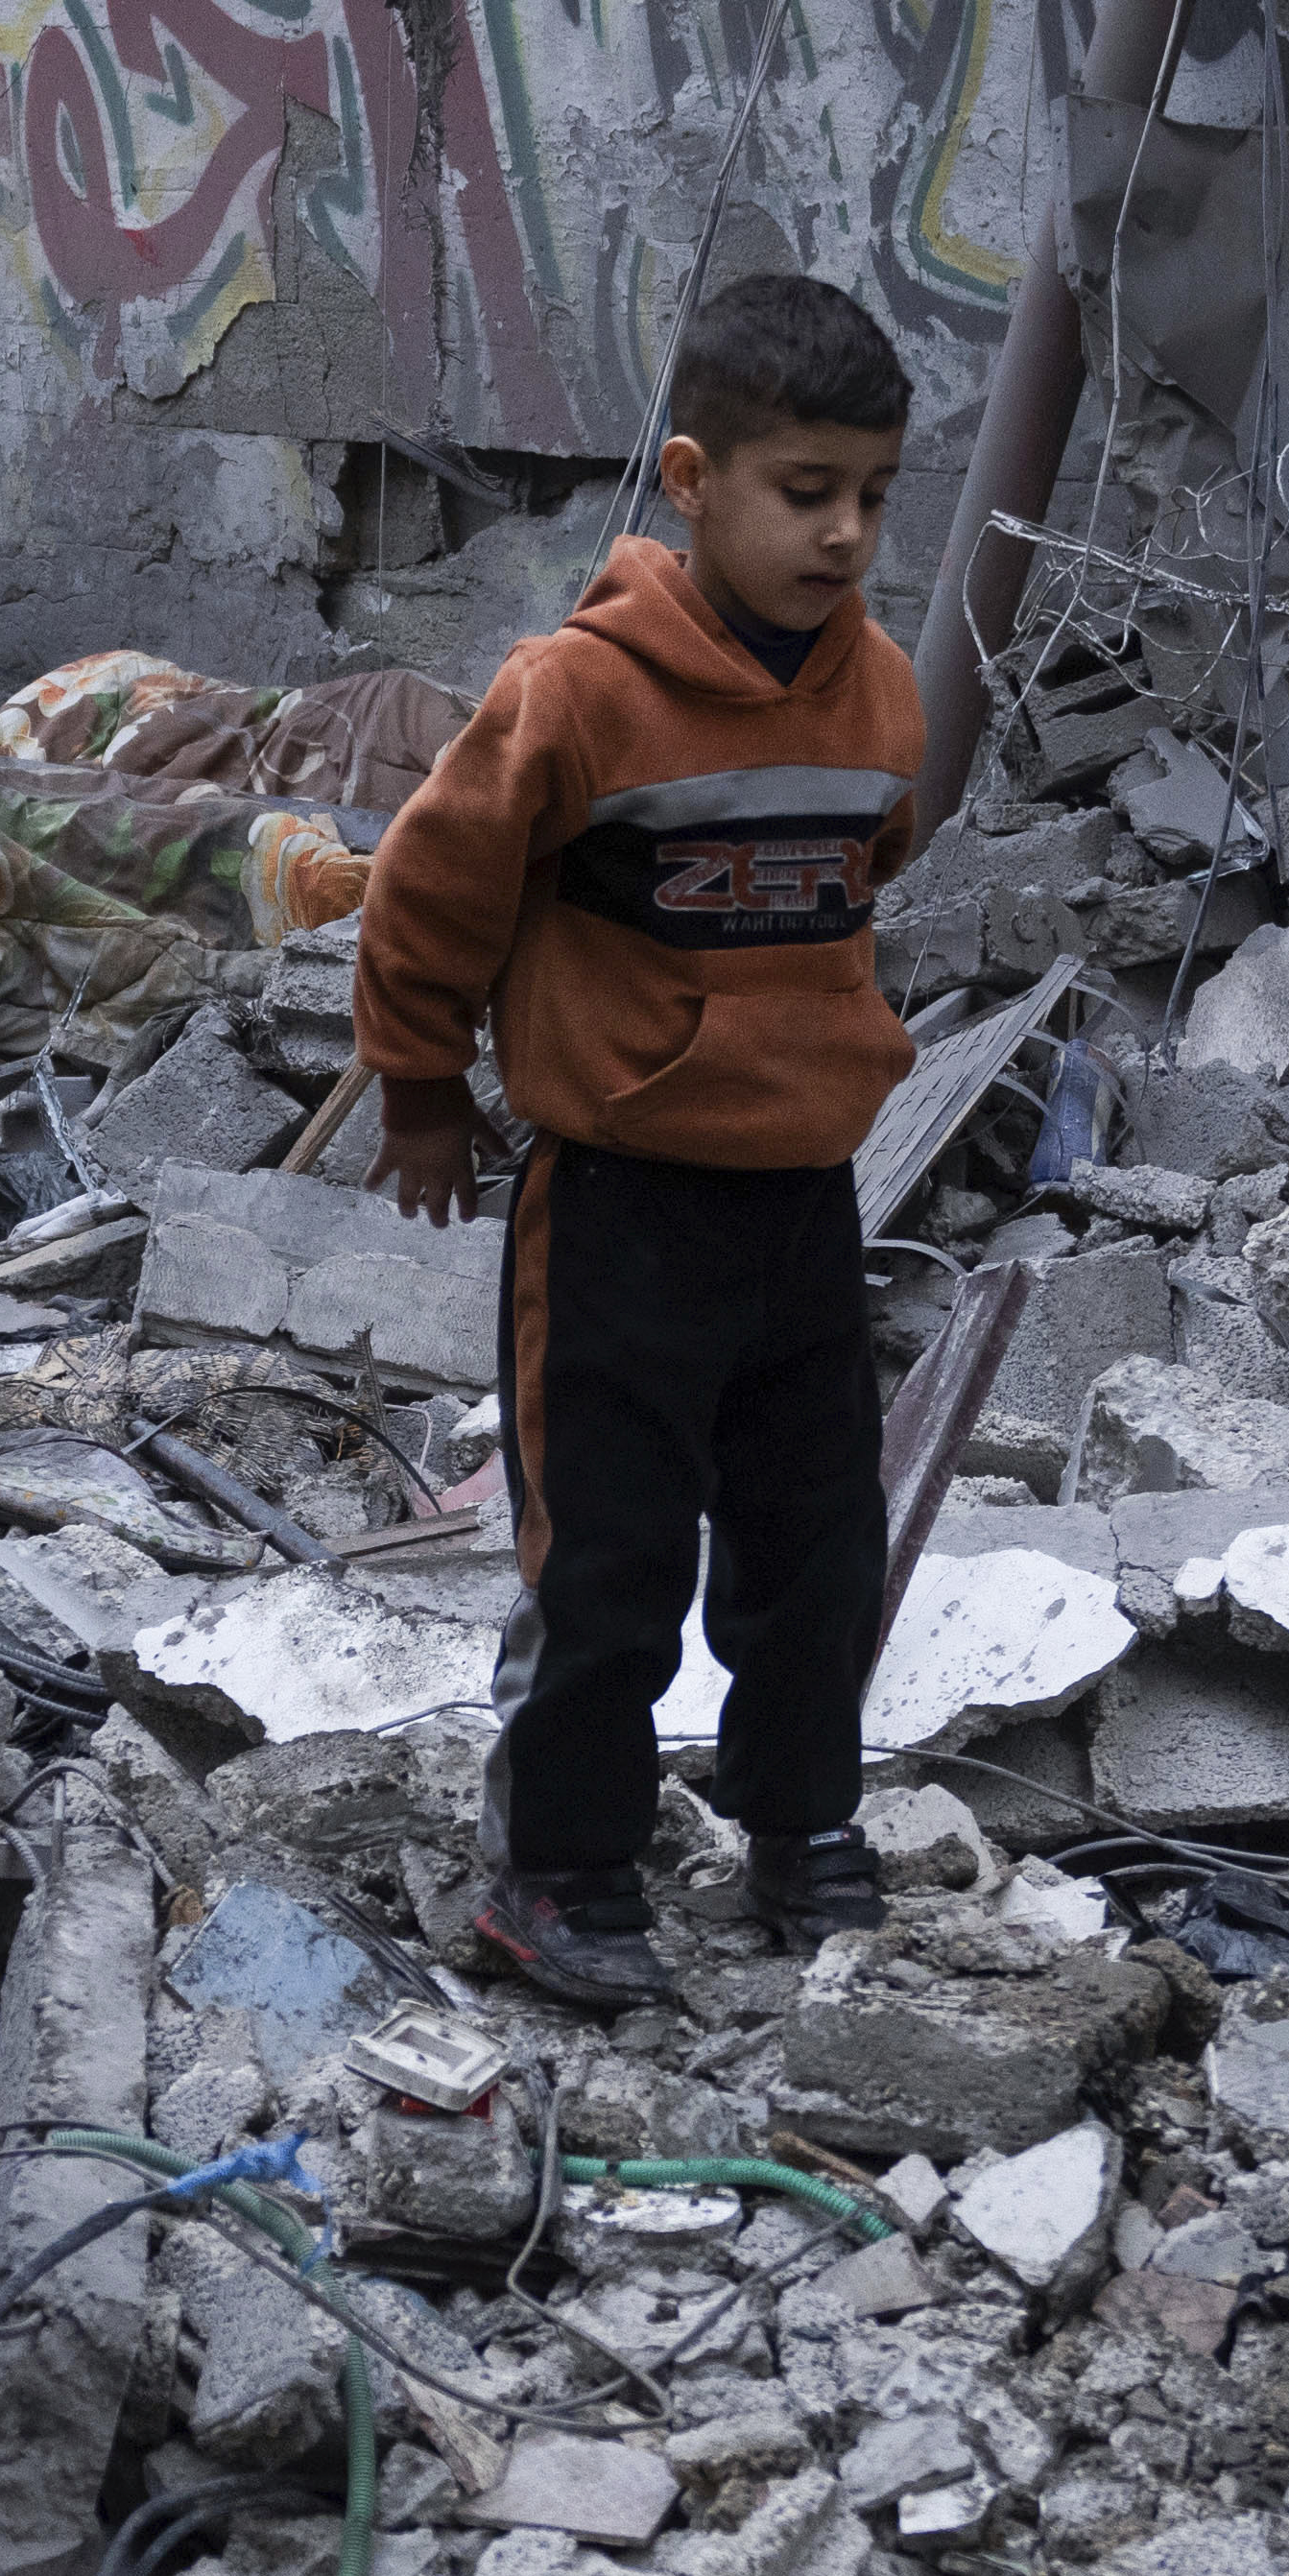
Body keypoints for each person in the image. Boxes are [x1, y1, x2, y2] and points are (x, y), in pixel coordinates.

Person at [352, 271, 932, 2014]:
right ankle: (563, 1868)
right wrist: (422, 1087)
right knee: (605, 1558)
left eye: (874, 498)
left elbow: (864, 881)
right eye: (803, 492)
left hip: (805, 1211)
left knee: (817, 1548)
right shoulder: (576, 699)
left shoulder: (884, 696)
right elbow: (427, 895)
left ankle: (799, 1826)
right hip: (619, 1209)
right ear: (692, 480)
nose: (843, 534)